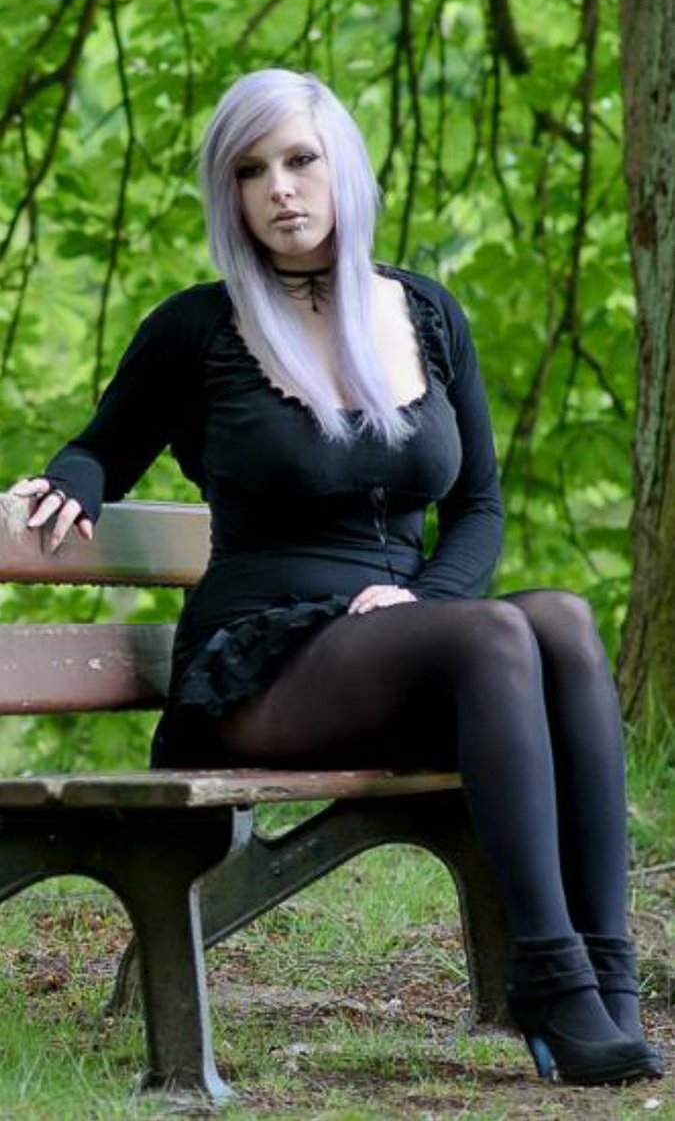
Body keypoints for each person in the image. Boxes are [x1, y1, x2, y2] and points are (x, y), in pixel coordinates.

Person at [8, 68, 663, 1087]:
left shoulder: (427, 315)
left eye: (300, 160)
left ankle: (608, 982)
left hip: (398, 642)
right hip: (262, 666)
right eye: (250, 171)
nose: (279, 189)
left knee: (564, 622)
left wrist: (419, 604)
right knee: (494, 632)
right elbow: (103, 448)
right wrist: (68, 485)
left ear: (342, 166)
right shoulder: (200, 328)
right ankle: (549, 976)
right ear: (229, 194)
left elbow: (478, 507)